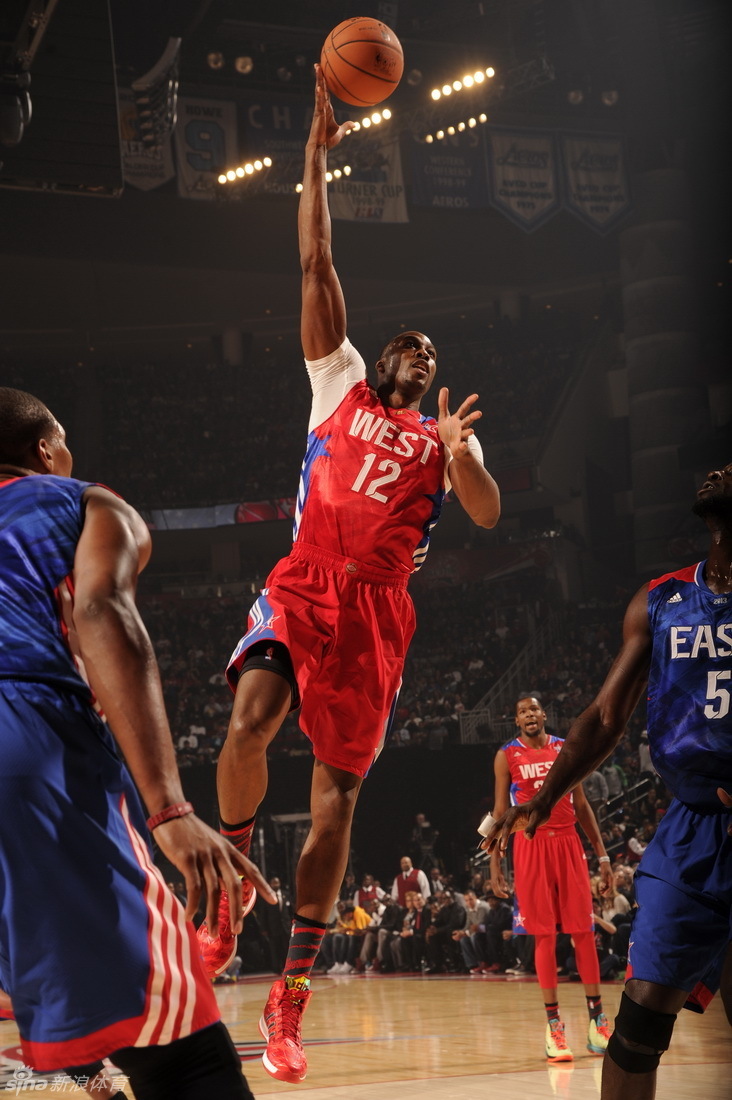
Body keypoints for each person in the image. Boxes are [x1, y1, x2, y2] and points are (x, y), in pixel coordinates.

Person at [195, 64, 501, 1086]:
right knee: (246, 719)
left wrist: (465, 461)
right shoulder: (336, 376)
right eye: (403, 341)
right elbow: (317, 256)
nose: (413, 352)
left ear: (430, 378)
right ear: (380, 354)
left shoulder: (435, 440)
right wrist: (317, 153)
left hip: (376, 617)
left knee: (334, 812)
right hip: (306, 578)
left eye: (427, 351)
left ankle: (289, 999)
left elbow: (492, 513)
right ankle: (236, 871)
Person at [0, 388, 274, 1100]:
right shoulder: (80, 501)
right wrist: (169, 810)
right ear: (45, 451)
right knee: (181, 1050)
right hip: (26, 736)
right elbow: (100, 609)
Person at [483, 460, 732, 1100]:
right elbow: (604, 717)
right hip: (693, 830)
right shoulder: (663, 599)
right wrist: (541, 799)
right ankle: (568, 1025)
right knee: (640, 1021)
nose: (719, 469)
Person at [489, 695, 614, 1062]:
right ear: (516, 721)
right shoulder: (505, 756)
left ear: (544, 715)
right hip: (530, 845)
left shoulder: (565, 748)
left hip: (569, 843)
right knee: (543, 935)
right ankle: (554, 1027)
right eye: (522, 711)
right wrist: (495, 864)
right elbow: (500, 812)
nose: (529, 715)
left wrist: (603, 855)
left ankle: (597, 1021)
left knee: (584, 931)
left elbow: (582, 804)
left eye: (534, 709)